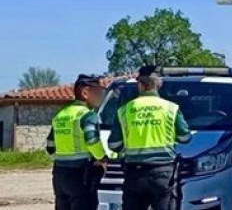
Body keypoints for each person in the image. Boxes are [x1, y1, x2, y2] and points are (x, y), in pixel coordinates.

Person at [108, 65, 192, 210]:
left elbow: (113, 145)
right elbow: (185, 138)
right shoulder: (171, 108)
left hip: (134, 173)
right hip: (163, 173)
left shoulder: (124, 110)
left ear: (141, 85)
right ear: (158, 86)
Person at [46, 74, 108, 210]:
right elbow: (92, 140)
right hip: (81, 174)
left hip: (60, 174)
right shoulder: (87, 115)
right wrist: (102, 158)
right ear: (85, 93)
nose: (100, 96)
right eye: (97, 92)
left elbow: (50, 146)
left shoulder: (60, 115)